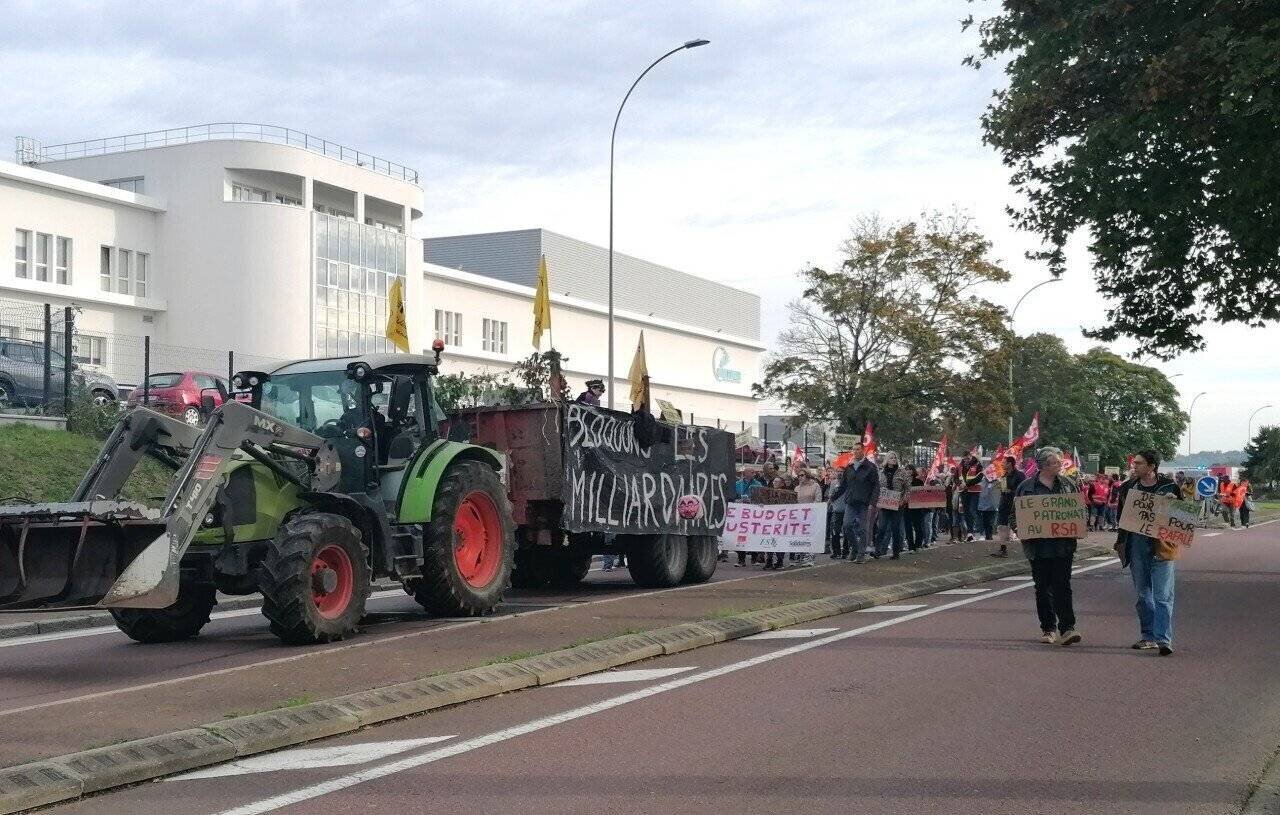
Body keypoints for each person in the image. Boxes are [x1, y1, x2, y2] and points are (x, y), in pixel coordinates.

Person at [1114, 449, 1181, 656]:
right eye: (1135, 463)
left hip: (1162, 546)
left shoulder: (1170, 487)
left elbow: (1181, 519)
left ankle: (1163, 639)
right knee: (1143, 595)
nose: (1135, 466)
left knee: (1163, 596)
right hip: (1137, 545)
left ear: (1152, 466)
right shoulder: (1127, 488)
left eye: (1140, 463)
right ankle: (1148, 636)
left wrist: (1173, 504)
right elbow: (1121, 517)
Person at [1015, 447, 1082, 646]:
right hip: (1037, 548)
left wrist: (1078, 525)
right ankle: (1048, 628)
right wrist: (1021, 529)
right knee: (1042, 587)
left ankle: (1067, 628)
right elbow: (1014, 514)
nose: (1060, 466)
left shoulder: (1069, 485)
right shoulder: (1026, 488)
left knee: (1063, 586)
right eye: (1055, 463)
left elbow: (1079, 510)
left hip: (1063, 546)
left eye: (1060, 462)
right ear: (1043, 465)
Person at [829, 441, 880, 563]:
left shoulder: (870, 467)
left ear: (863, 451)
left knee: (863, 529)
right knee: (846, 526)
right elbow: (843, 485)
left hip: (864, 502)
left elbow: (876, 486)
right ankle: (855, 548)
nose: (855, 451)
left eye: (858, 449)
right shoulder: (850, 467)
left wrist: (873, 502)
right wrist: (833, 497)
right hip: (851, 502)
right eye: (854, 449)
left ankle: (861, 554)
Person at [875, 452, 910, 559]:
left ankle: (896, 553)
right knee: (882, 528)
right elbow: (877, 488)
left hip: (898, 504)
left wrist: (903, 500)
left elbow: (908, 488)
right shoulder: (880, 472)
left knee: (895, 529)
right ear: (886, 459)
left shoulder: (902, 472)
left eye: (895, 457)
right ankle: (878, 551)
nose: (893, 459)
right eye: (891, 457)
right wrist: (878, 500)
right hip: (884, 504)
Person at [994, 455, 1024, 558]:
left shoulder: (1020, 475)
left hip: (1015, 505)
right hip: (1004, 504)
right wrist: (1001, 488)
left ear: (1010, 464)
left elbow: (1022, 490)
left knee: (1019, 526)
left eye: (1004, 462)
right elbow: (1003, 490)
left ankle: (1030, 546)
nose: (1002, 464)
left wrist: (1011, 491)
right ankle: (1003, 548)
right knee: (1001, 525)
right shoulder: (1004, 476)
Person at [959, 453, 983, 541]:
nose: (966, 460)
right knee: (966, 513)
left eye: (967, 459)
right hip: (963, 491)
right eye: (964, 459)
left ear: (971, 457)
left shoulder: (977, 464)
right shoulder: (960, 466)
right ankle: (970, 533)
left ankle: (981, 533)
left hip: (974, 491)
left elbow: (980, 477)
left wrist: (967, 484)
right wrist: (960, 484)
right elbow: (956, 477)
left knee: (973, 511)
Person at [828, 467, 848, 559]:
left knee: (847, 531)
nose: (840, 473)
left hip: (847, 510)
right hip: (836, 511)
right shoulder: (833, 483)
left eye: (842, 471)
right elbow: (830, 496)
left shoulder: (848, 483)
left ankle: (845, 551)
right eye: (838, 471)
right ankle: (836, 551)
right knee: (835, 531)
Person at [977, 473, 999, 541]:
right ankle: (987, 535)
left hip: (993, 505)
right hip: (984, 505)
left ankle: (990, 535)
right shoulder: (982, 481)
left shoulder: (997, 481)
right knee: (986, 521)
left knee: (991, 522)